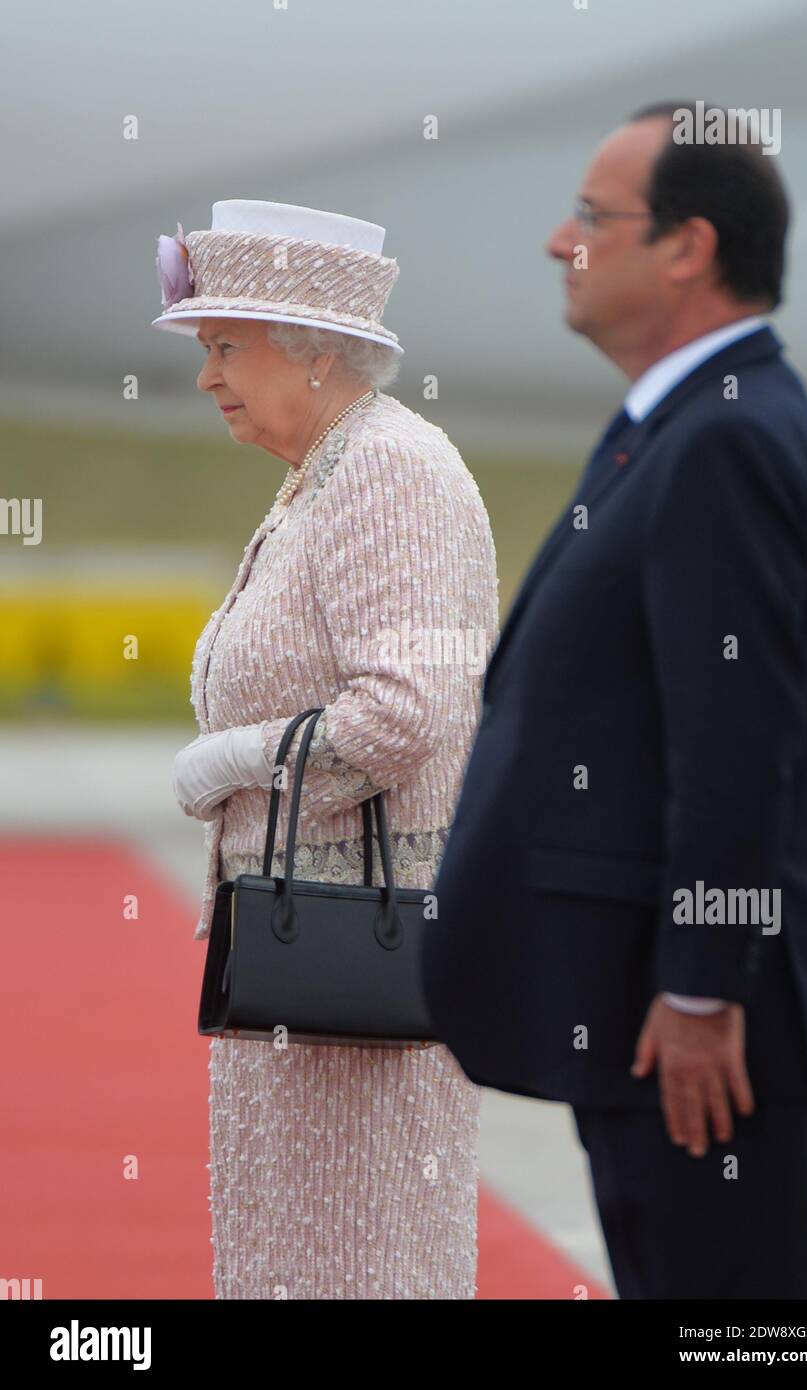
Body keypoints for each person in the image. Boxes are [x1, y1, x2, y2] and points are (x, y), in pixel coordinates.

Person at [422, 102, 807, 1299]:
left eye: (593, 216)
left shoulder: (721, 435)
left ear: (687, 247)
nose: (559, 242)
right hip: (654, 1020)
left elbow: (739, 743)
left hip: (706, 1039)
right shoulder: (686, 421)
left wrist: (703, 986)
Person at [156, 199, 498, 1298]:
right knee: (297, 1257)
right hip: (299, 969)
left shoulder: (392, 470)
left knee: (363, 1258)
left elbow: (408, 713)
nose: (206, 375)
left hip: (363, 970)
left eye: (224, 347)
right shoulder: (325, 470)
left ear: (311, 349)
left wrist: (238, 757)